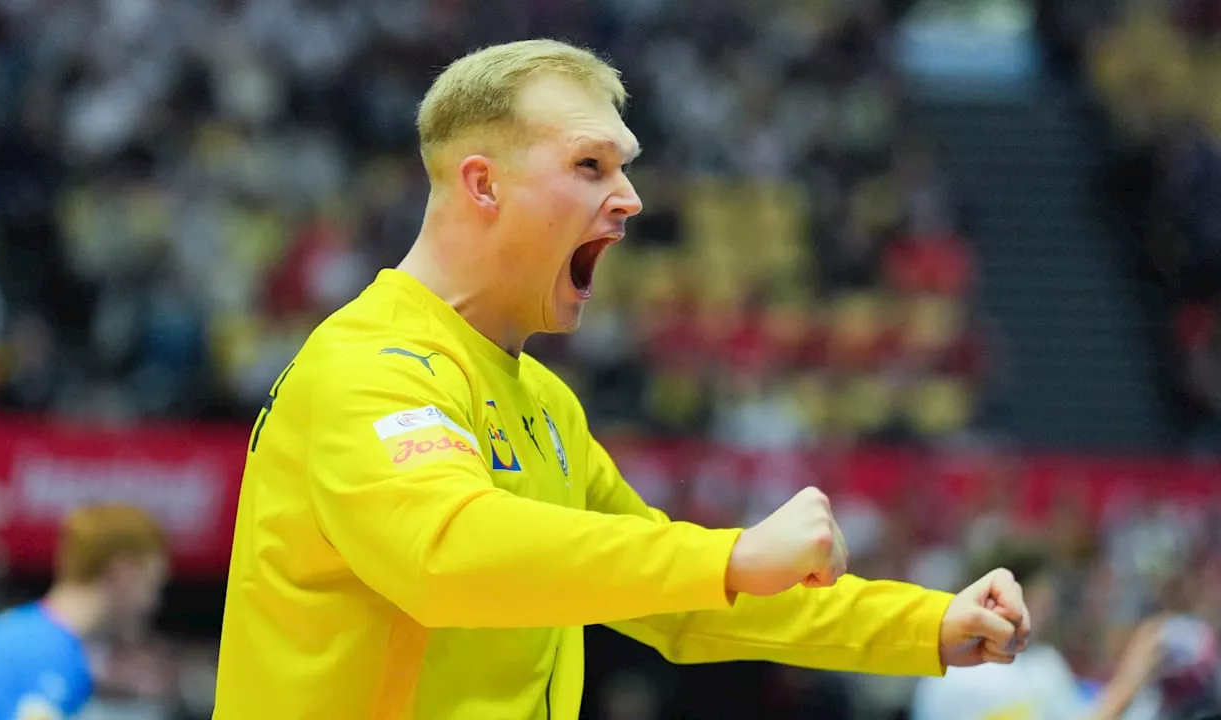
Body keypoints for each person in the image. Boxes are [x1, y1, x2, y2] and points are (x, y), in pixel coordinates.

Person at [214, 39, 1031, 719]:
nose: (631, 199)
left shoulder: (546, 406)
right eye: (590, 165)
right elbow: (447, 553)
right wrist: (735, 555)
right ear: (483, 182)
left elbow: (671, 593)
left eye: (624, 167)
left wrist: (928, 624)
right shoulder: (368, 365)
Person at [0, 503, 168, 718]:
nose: (152, 604)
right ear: (124, 574)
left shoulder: (24, 632)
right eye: (153, 586)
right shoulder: (49, 656)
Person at [911, 541, 1165, 720]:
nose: (1050, 610)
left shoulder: (1042, 665)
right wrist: (1134, 672)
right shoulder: (962, 676)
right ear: (1011, 597)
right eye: (1044, 599)